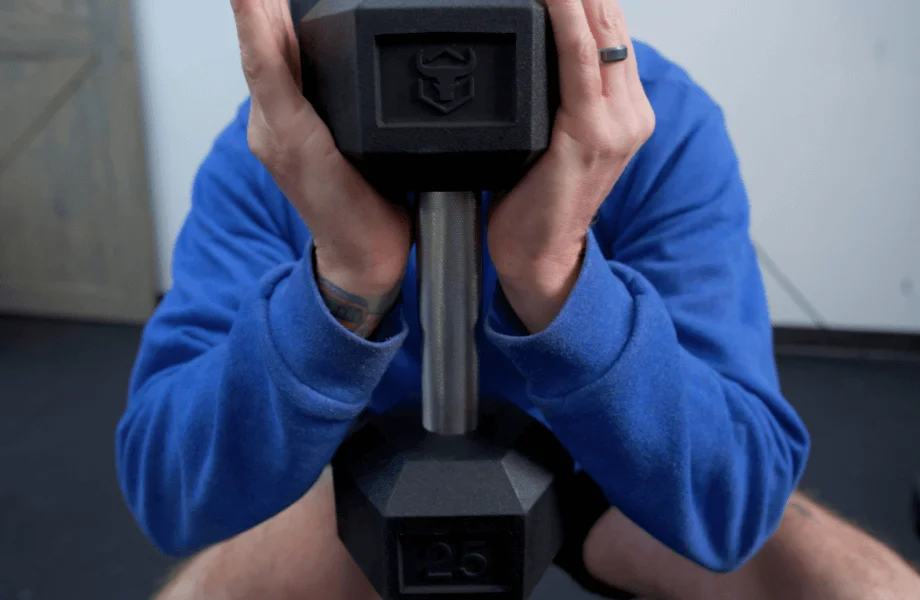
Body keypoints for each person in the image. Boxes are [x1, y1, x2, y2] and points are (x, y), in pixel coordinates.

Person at [116, 0, 920, 598]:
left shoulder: (658, 126)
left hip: (604, 453)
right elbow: (171, 491)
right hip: (358, 457)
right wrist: (348, 277)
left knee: (874, 590)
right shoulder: (274, 151)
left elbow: (734, 502)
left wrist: (551, 272)